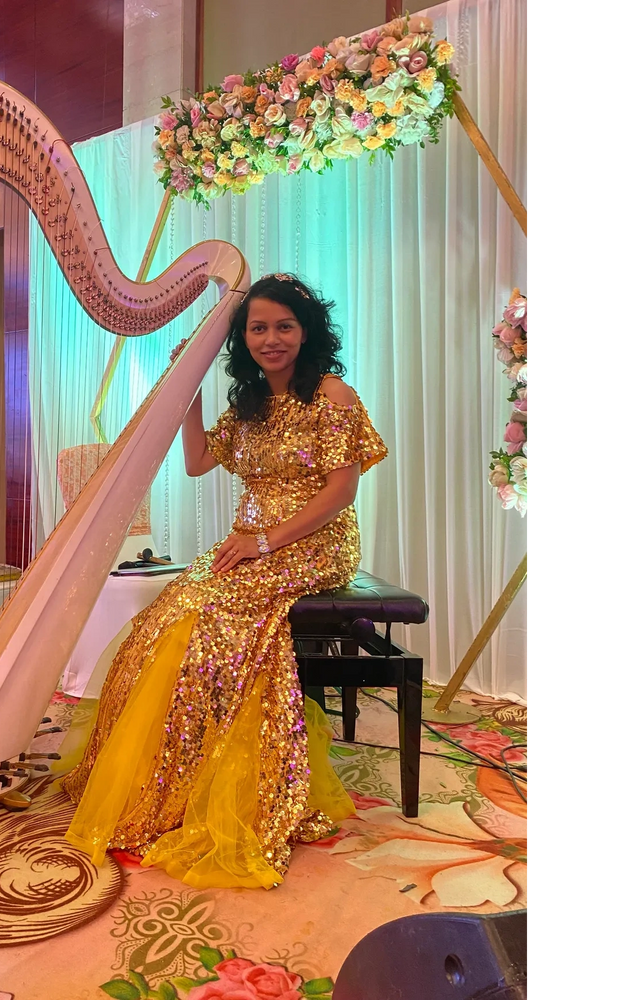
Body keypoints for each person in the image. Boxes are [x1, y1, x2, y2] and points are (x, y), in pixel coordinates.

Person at [63, 274, 388, 889]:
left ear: (306, 330)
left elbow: (341, 491)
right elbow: (196, 462)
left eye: (284, 326)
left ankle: (242, 780)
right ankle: (175, 780)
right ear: (243, 338)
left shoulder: (333, 396)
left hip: (313, 540)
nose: (271, 339)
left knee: (219, 621)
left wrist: (266, 541)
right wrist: (188, 387)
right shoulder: (249, 404)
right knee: (167, 617)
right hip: (250, 540)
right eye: (258, 328)